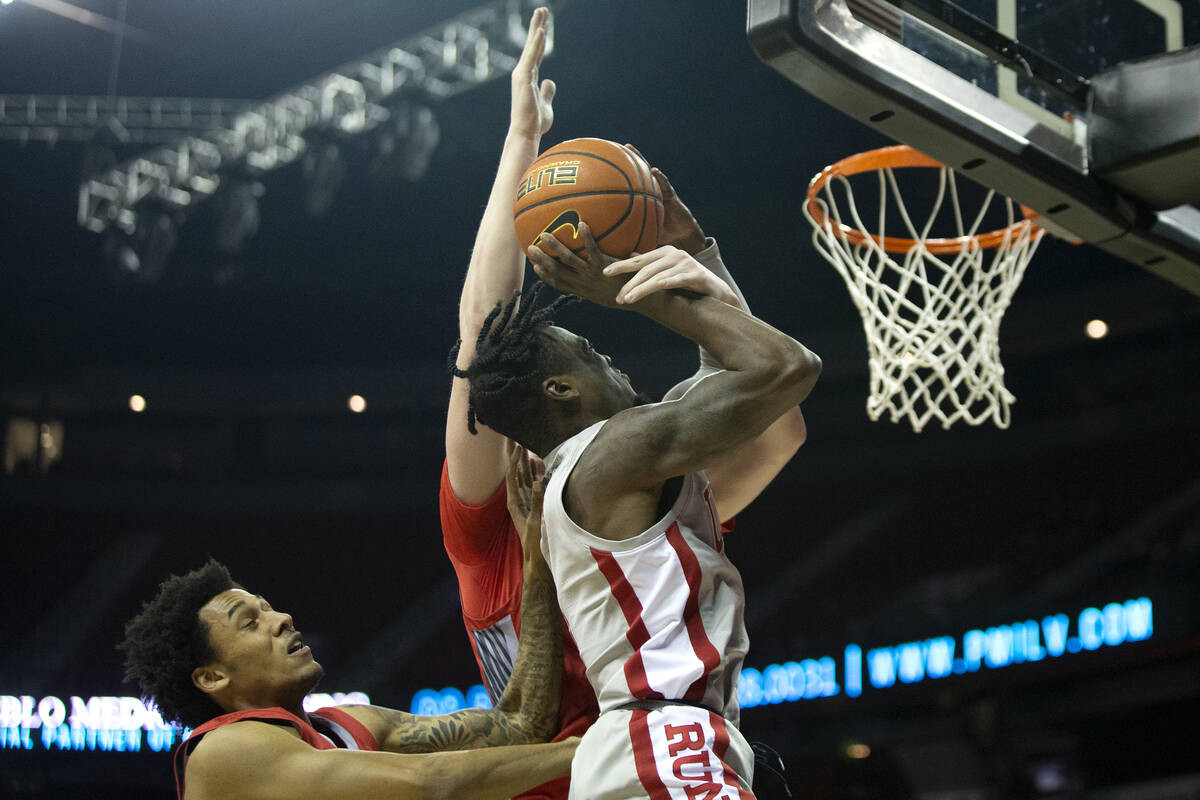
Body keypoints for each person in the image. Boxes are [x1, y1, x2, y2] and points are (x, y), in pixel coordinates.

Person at [442, 8, 807, 799]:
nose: (603, 353)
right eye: (589, 352)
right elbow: (483, 343)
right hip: (630, 758)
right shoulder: (505, 526)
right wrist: (520, 147)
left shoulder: (645, 484)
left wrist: (701, 267)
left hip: (648, 757)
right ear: (555, 394)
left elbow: (773, 424)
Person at [454, 224, 822, 798]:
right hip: (666, 744)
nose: (613, 362)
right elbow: (787, 368)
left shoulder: (606, 464)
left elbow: (749, 390)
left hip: (653, 746)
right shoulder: (615, 453)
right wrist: (636, 293)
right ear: (560, 390)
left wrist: (700, 250)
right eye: (592, 353)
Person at [120, 456, 575, 800]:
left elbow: (520, 726)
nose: (282, 619)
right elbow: (431, 784)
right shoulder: (224, 751)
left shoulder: (346, 727)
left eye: (270, 608)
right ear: (212, 676)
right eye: (251, 623)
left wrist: (536, 566)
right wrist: (601, 745)